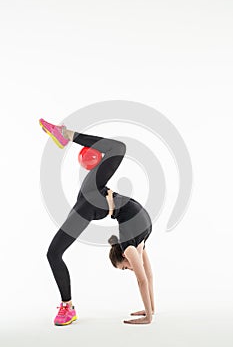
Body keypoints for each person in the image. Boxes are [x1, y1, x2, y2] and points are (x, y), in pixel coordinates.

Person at [39, 118, 155, 325]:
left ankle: (67, 307)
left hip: (92, 201)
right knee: (118, 147)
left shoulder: (137, 242)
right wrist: (149, 315)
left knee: (53, 253)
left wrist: (150, 310)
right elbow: (144, 279)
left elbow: (146, 275)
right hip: (95, 196)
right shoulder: (131, 247)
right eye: (125, 268)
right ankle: (65, 134)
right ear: (122, 256)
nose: (130, 268)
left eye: (124, 268)